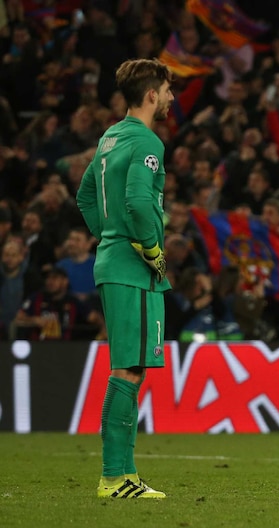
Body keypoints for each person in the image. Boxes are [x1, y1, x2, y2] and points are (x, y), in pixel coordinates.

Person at [76, 58, 174, 499]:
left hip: (115, 260)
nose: (171, 98)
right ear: (151, 94)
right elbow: (137, 201)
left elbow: (84, 195)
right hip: (132, 268)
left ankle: (125, 474)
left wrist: (108, 235)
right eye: (168, 90)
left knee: (131, 368)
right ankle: (114, 477)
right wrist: (149, 249)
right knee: (128, 370)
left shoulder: (110, 138)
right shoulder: (147, 141)